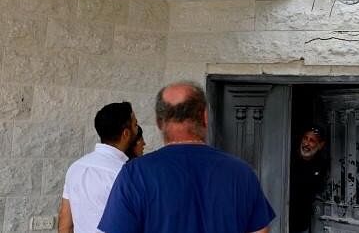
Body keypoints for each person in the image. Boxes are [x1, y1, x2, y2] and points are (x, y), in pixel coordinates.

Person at [98, 81, 275, 233]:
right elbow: (261, 230)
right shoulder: (241, 172)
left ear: (159, 122)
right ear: (205, 117)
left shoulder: (135, 174)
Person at [58, 102, 138, 233]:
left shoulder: (75, 167)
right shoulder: (127, 174)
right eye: (135, 125)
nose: (137, 130)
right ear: (125, 134)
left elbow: (65, 225)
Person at [289, 125, 328, 233]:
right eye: (305, 138)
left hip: (303, 223)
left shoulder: (322, 165)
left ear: (320, 145)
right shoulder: (288, 157)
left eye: (312, 141)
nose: (306, 143)